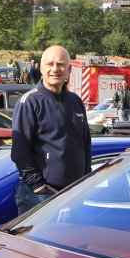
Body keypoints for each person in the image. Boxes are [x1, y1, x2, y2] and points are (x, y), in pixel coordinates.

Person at [12, 45, 90, 213]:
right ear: (41, 68)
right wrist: (38, 185)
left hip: (74, 195)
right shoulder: (29, 102)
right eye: (50, 64)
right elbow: (19, 151)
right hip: (41, 196)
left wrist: (86, 180)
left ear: (69, 69)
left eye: (61, 64)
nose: (55, 69)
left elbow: (85, 146)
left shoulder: (76, 101)